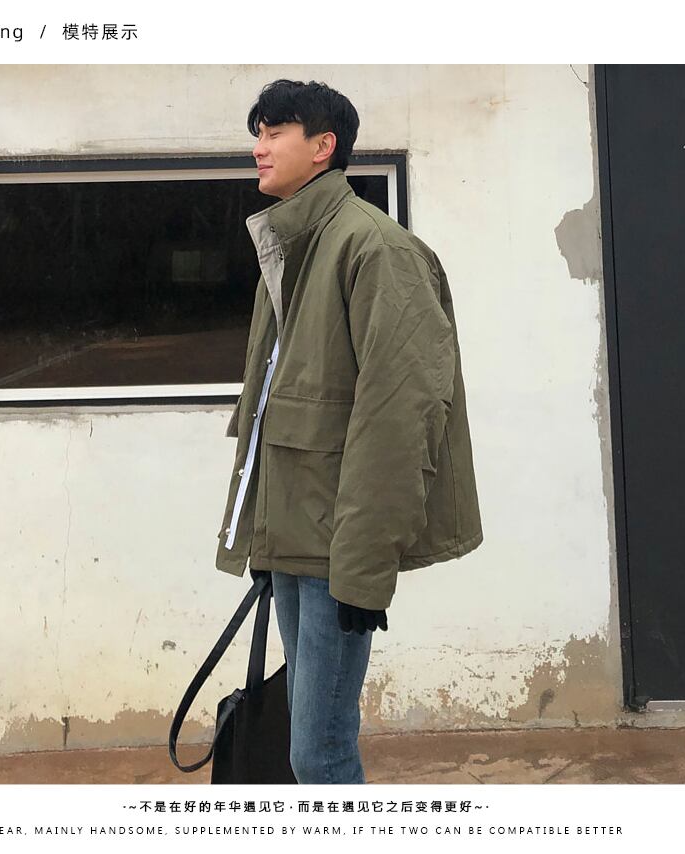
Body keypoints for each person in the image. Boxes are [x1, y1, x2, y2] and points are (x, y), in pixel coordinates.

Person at [215, 79, 483, 784]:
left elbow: (399, 418)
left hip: (337, 549)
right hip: (297, 537)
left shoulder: (374, 249)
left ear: (323, 146)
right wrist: (265, 537)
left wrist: (363, 574)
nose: (259, 147)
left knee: (319, 752)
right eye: (258, 133)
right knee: (308, 748)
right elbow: (281, 406)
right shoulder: (291, 247)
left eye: (275, 132)